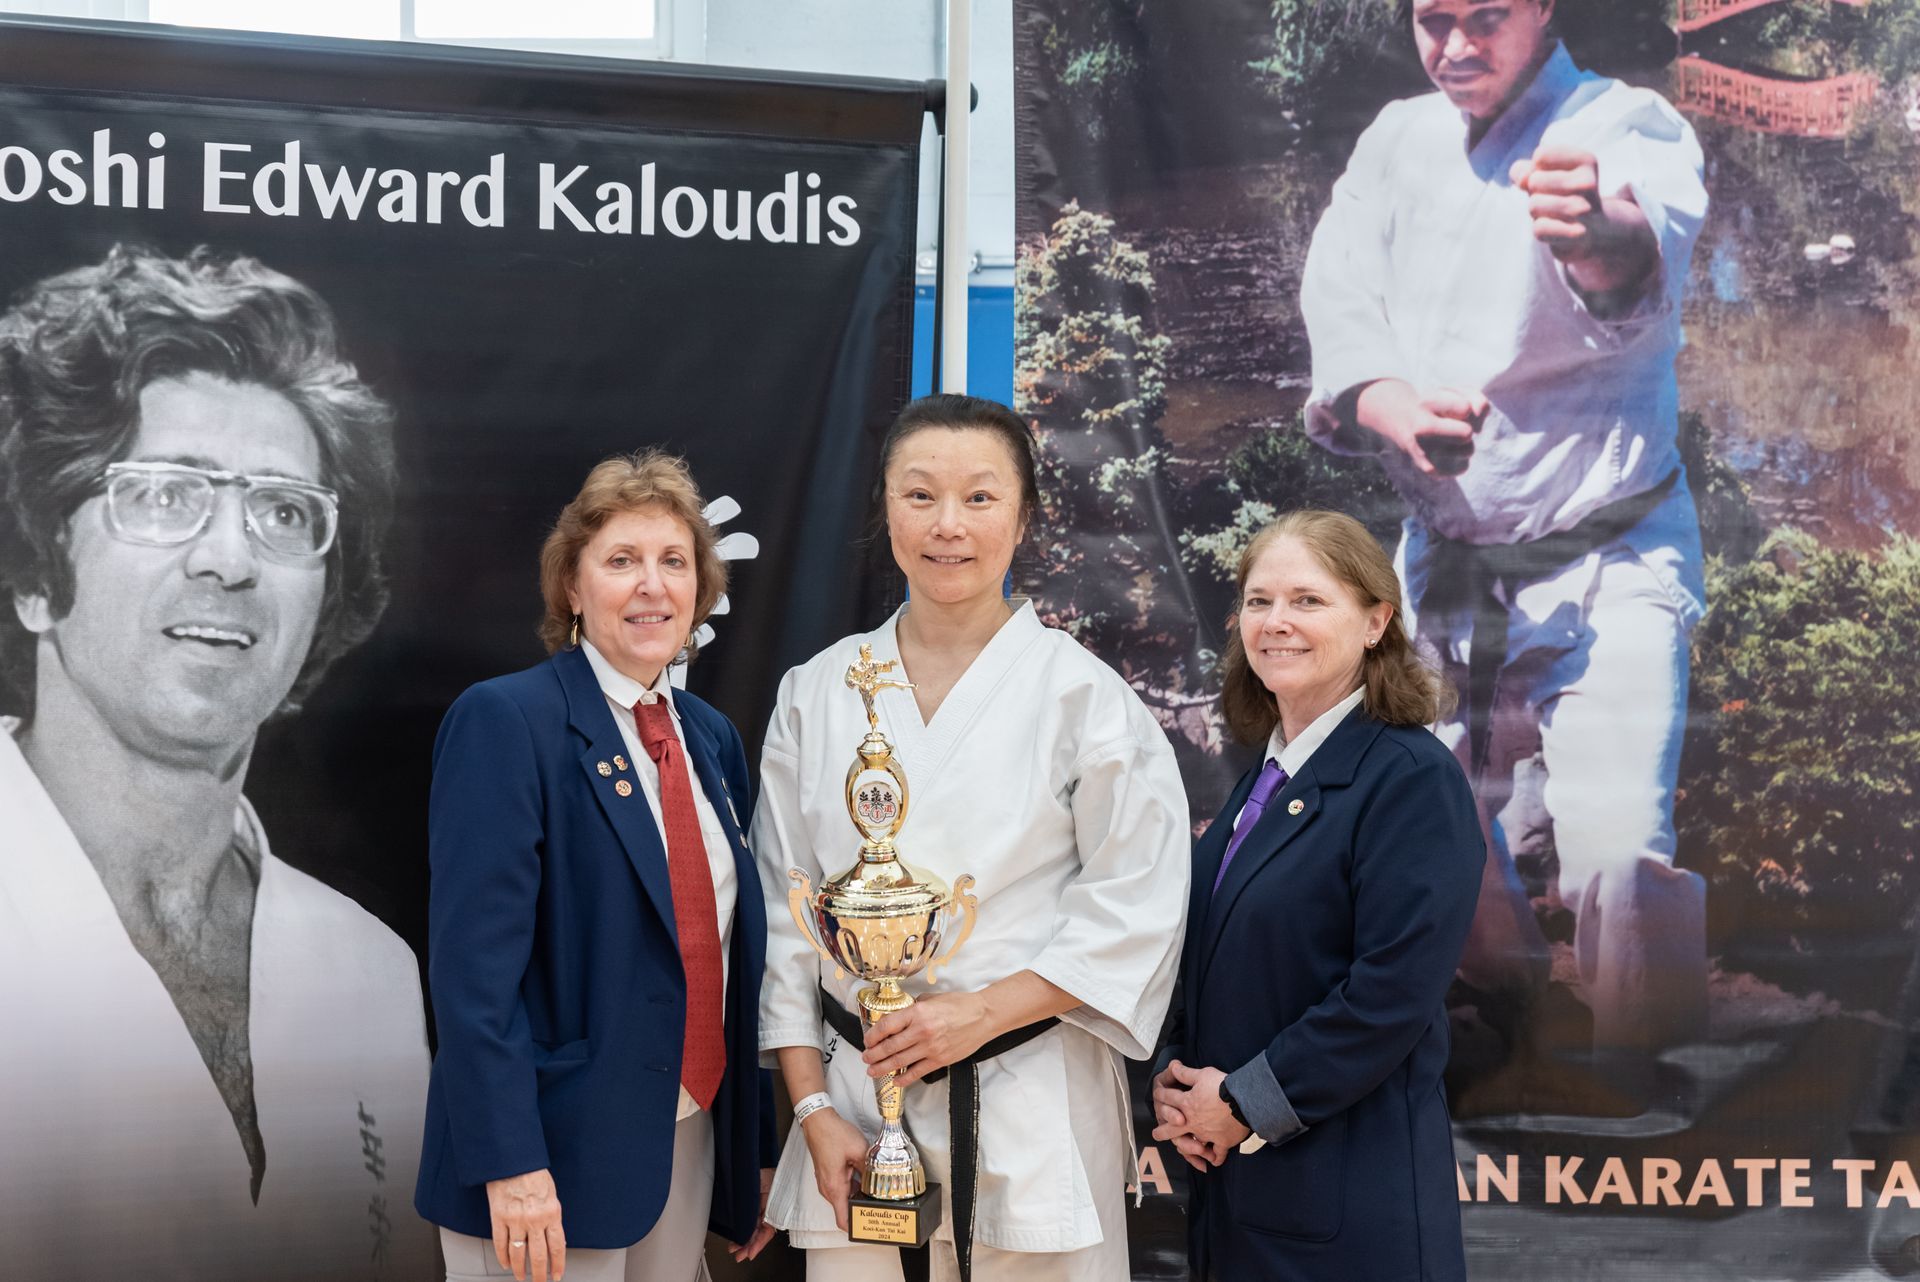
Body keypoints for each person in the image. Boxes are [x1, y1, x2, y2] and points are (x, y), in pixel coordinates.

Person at [0, 244, 432, 1278]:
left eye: (284, 513)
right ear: (33, 571)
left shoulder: (370, 971)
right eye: (163, 495)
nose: (231, 560)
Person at [1299, 0, 1711, 1050]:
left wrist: (1602, 241)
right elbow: (1341, 297)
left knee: (1622, 858)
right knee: (1424, 823)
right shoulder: (1397, 140)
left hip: (1604, 550)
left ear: (1542, 10)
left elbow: (1638, 251)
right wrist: (1391, 403)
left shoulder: (1626, 125)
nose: (1457, 47)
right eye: (1434, 20)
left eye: (1487, 17)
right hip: (1448, 561)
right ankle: (1519, 999)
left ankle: (1645, 1070)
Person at [755, 393, 1190, 1281]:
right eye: (920, 495)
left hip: (1028, 1096)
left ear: (1025, 516)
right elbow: (782, 920)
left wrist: (976, 1016)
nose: (948, 525)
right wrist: (810, 1111)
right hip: (851, 1107)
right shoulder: (817, 692)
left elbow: (1134, 910)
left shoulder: (1084, 699)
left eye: (980, 498)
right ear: (884, 507)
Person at [414, 450, 775, 1282]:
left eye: (674, 562)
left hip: (684, 1139)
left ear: (700, 590)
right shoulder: (508, 721)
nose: (652, 585)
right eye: (621, 561)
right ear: (573, 590)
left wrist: (747, 1148)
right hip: (545, 1159)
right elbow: (474, 977)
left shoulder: (711, 738)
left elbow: (726, 958)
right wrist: (511, 1164)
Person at [1151, 510, 1483, 1281]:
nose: (1276, 623)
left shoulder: (1411, 778)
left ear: (1376, 621)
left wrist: (1239, 1105)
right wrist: (1176, 1074)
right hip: (1238, 1204)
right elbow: (1215, 959)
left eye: (1307, 600)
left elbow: (1389, 995)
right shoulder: (1258, 787)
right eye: (1260, 601)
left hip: (1349, 1211)